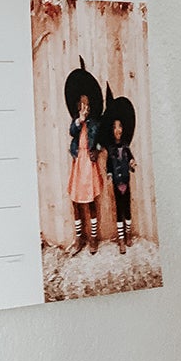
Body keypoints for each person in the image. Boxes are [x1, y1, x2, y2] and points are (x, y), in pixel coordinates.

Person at [68, 94, 104, 254]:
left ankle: (94, 237)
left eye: (88, 106)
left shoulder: (95, 123)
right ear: (78, 107)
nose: (85, 109)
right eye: (82, 105)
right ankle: (79, 237)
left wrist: (96, 149)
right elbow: (71, 132)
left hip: (88, 164)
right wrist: (79, 120)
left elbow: (101, 139)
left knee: (90, 200)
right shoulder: (76, 122)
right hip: (78, 163)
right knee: (75, 201)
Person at [106, 118, 137, 254]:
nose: (117, 130)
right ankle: (121, 239)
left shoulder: (126, 147)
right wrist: (109, 174)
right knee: (119, 210)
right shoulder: (110, 148)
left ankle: (128, 234)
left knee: (127, 208)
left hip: (126, 180)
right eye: (114, 127)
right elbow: (108, 165)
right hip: (116, 184)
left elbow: (131, 159)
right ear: (111, 131)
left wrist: (132, 163)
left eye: (120, 127)